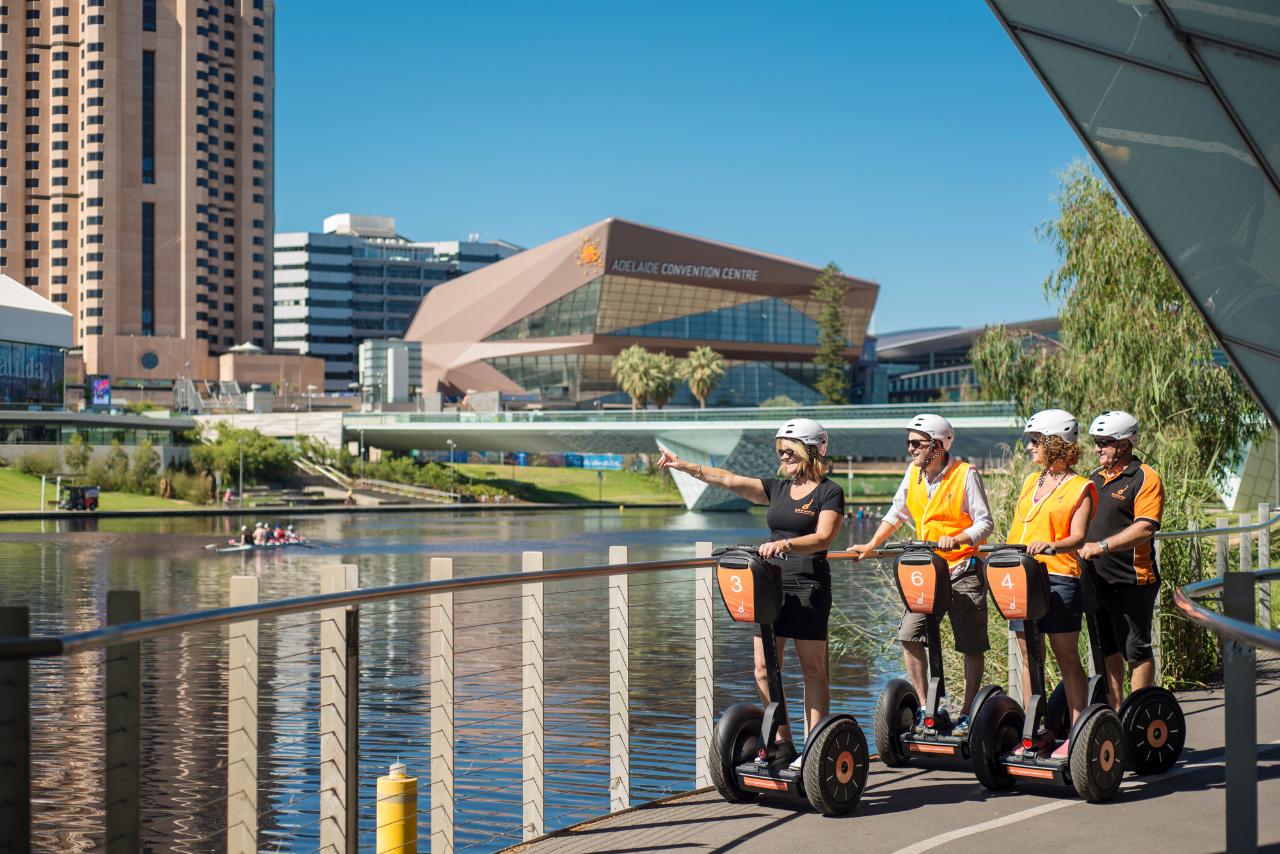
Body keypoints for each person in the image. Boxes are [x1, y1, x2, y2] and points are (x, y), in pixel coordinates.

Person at [658, 418, 844, 763]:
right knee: (762, 668)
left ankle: (816, 750)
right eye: (781, 451)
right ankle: (783, 740)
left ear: (812, 450)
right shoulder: (777, 488)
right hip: (770, 587)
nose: (784, 456)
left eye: (790, 450)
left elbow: (823, 538)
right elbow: (728, 479)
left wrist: (786, 544)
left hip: (808, 585)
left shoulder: (829, 492)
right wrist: (684, 467)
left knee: (813, 670)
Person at [852, 414, 994, 737]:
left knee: (970, 643)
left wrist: (958, 538)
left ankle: (968, 711)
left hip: (961, 569)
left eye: (916, 443)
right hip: (927, 573)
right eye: (909, 443)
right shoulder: (913, 474)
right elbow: (897, 512)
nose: (910, 449)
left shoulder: (965, 474)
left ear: (938, 445)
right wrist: (872, 544)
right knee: (909, 634)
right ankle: (929, 708)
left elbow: (985, 524)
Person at [1006, 409, 1096, 757]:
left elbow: (1078, 536)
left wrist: (1051, 545)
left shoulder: (1080, 487)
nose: (1029, 447)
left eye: (1035, 441)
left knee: (1066, 658)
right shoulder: (1032, 482)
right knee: (1030, 658)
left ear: (1055, 443)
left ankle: (1078, 733)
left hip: (1058, 577)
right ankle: (1038, 728)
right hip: (1020, 575)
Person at [1078, 411, 1164, 710]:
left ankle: (1138, 713)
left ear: (1125, 445)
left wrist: (1101, 545)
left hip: (1132, 579)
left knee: (1135, 651)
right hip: (1096, 579)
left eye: (1105, 442)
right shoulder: (1095, 478)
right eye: (1096, 442)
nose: (1098, 448)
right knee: (1108, 651)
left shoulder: (1144, 477)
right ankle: (1116, 713)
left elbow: (1146, 526)